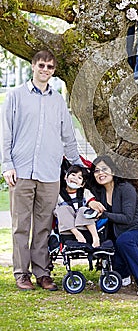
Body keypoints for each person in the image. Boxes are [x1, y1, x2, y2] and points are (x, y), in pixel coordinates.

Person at [0, 50, 82, 291]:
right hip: (21, 172)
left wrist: (77, 166)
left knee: (44, 225)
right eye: (42, 65)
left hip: (49, 173)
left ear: (53, 71)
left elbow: (68, 137)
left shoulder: (58, 101)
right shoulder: (15, 96)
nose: (45, 70)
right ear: (33, 66)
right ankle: (21, 273)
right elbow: (5, 133)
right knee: (21, 226)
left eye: (50, 67)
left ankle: (42, 273)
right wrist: (7, 165)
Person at [84, 155, 138, 297]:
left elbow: (128, 218)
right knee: (111, 245)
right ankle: (123, 275)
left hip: (137, 233)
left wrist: (105, 214)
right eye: (97, 171)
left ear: (113, 170)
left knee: (124, 240)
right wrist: (90, 202)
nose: (100, 173)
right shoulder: (99, 192)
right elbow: (80, 186)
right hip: (118, 237)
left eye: (104, 169)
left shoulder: (125, 188)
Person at [54, 164, 100, 247]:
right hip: (68, 228)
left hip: (84, 225)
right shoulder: (58, 194)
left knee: (83, 209)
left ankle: (95, 237)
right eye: (73, 175)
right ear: (65, 177)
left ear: (82, 184)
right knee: (62, 209)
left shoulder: (85, 192)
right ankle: (77, 235)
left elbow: (92, 202)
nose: (75, 178)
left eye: (79, 177)